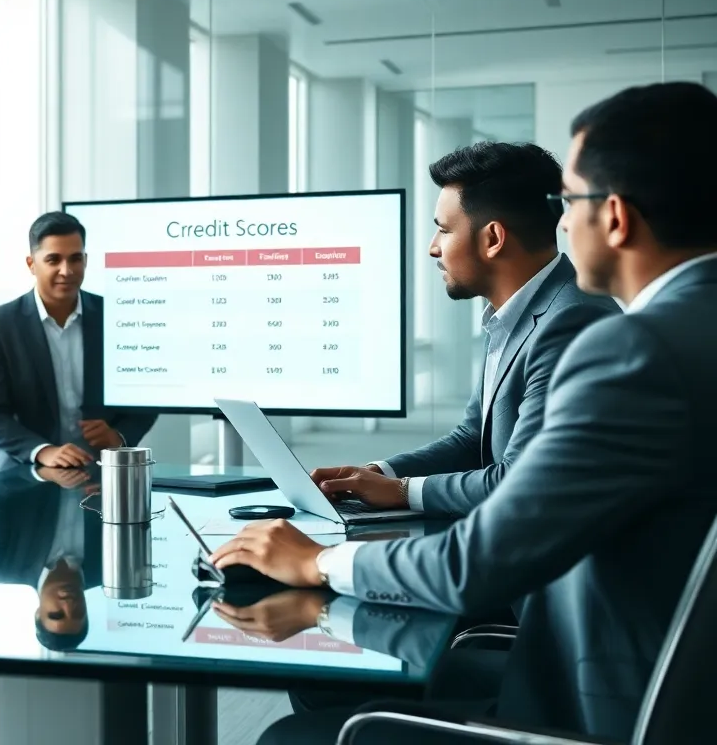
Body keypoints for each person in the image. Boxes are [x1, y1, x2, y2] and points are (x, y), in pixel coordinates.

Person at [215, 81, 717, 744]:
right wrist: (382, 480)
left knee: (286, 737)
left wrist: (319, 561)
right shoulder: (687, 329)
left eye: (569, 203)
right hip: (624, 672)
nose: (563, 223)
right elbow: (480, 448)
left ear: (616, 217)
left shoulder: (632, 349)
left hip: (577, 703)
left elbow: (475, 564)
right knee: (328, 677)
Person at [312, 142, 618, 518]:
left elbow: (523, 482)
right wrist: (377, 474)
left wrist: (400, 491)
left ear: (492, 239)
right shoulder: (515, 313)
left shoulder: (571, 322)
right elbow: (473, 440)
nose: (433, 248)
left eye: (443, 230)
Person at [0, 211, 158, 473]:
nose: (67, 270)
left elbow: (145, 397)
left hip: (102, 468)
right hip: (25, 468)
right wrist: (43, 451)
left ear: (86, 260)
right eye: (53, 260)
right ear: (31, 264)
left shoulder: (117, 318)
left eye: (75, 258)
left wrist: (118, 436)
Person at [0, 464, 103, 651]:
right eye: (78, 613)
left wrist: (40, 473)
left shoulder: (3, 567)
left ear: (38, 613)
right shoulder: (110, 568)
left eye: (56, 614)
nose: (69, 605)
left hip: (29, 458)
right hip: (99, 459)